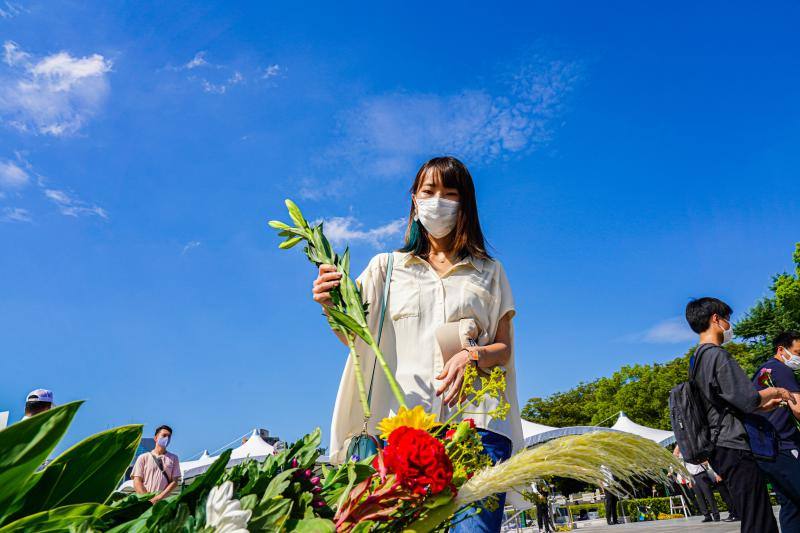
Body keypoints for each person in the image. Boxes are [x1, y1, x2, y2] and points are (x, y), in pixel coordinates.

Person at [317, 156, 523, 532]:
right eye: (429, 191)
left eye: (450, 192)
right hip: (400, 429)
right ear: (414, 199)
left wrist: (471, 355)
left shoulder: (490, 271)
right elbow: (354, 339)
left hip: (475, 424)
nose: (438, 201)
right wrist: (331, 305)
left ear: (465, 204)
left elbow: (503, 348)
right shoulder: (386, 267)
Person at [685, 297, 795, 533]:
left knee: (752, 513)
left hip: (718, 444)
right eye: (727, 319)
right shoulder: (717, 355)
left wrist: (765, 406)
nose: (728, 325)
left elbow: (728, 403)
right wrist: (777, 391)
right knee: (758, 517)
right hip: (733, 444)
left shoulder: (696, 360)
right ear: (716, 319)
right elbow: (749, 398)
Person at [752, 331, 800, 533]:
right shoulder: (782, 370)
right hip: (784, 445)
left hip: (765, 448)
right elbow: (798, 409)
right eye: (798, 352)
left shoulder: (763, 371)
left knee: (791, 506)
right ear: (782, 349)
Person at [132, 425, 181, 504]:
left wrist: (159, 498)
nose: (167, 438)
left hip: (162, 502)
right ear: (155, 438)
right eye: (164, 435)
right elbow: (137, 481)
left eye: (169, 436)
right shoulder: (143, 457)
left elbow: (174, 482)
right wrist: (146, 500)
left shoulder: (174, 458)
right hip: (144, 501)